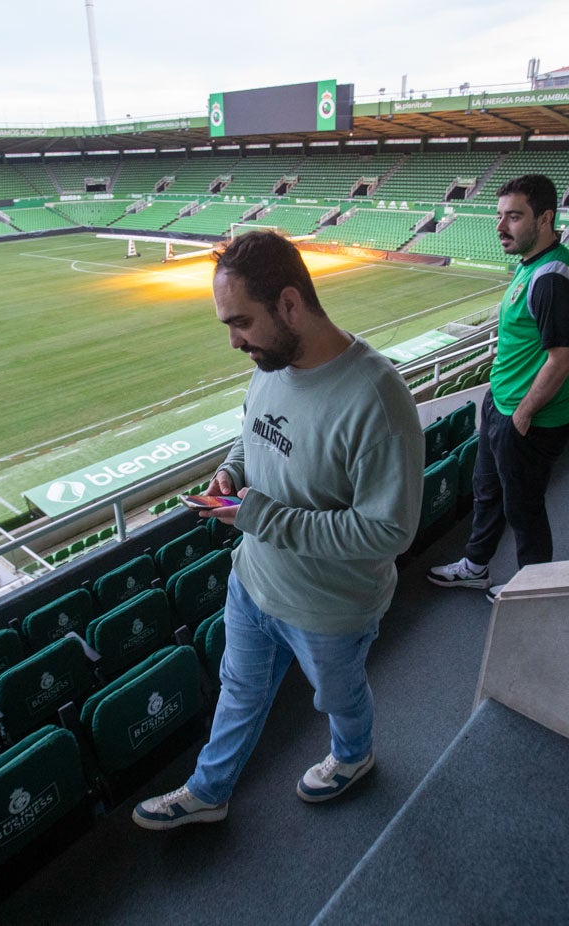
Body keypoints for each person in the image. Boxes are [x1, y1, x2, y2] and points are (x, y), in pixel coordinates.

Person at [132, 231, 425, 830]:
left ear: (290, 304)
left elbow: (388, 531)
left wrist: (261, 518)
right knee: (237, 693)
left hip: (328, 611)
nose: (236, 341)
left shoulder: (376, 398)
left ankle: (354, 755)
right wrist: (230, 470)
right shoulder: (271, 362)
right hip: (254, 582)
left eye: (241, 322)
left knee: (339, 700)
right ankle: (209, 792)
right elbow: (254, 431)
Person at [427, 175, 569, 595]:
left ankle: (535, 587)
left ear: (546, 218)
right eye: (499, 216)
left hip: (528, 420)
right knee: (487, 494)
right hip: (502, 405)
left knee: (524, 509)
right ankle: (476, 566)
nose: (501, 227)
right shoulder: (533, 265)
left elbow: (563, 358)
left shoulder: (552, 277)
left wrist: (523, 414)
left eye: (513, 217)